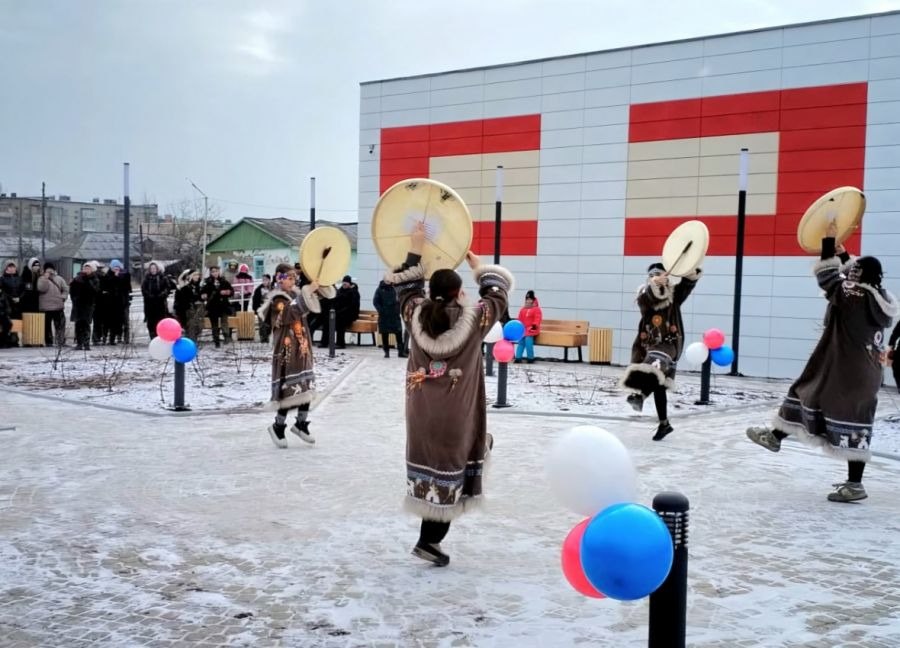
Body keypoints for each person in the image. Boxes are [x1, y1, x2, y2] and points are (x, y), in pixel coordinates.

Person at [385, 222, 513, 567]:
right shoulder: (475, 319)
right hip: (457, 413)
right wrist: (477, 266)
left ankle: (429, 539)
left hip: (421, 411)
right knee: (453, 471)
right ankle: (429, 542)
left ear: (431, 292)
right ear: (459, 293)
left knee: (431, 467)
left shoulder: (414, 313)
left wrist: (415, 247)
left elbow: (406, 287)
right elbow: (498, 293)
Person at [746, 224, 897, 503]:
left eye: (854, 270)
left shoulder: (854, 295)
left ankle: (853, 484)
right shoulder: (880, 297)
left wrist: (827, 242)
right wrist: (845, 254)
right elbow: (851, 278)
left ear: (859, 276)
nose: (850, 272)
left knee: (810, 392)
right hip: (864, 371)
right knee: (837, 409)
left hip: (845, 368)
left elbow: (829, 278)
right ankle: (777, 437)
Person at [258, 263, 336, 449]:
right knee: (289, 390)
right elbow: (289, 313)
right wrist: (308, 293)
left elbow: (305, 303)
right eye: (290, 278)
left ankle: (301, 423)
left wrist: (317, 288)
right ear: (280, 278)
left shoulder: (294, 296)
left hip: (301, 348)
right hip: (287, 351)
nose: (293, 281)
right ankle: (278, 426)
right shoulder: (277, 299)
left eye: (295, 278)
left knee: (306, 386)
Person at [620, 262, 701, 441]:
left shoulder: (675, 296)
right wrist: (655, 284)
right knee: (658, 386)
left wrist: (689, 273)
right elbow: (650, 300)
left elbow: (686, 286)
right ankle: (664, 424)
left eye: (658, 273)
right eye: (652, 274)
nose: (655, 276)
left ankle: (640, 396)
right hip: (650, 345)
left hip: (669, 345)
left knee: (655, 364)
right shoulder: (644, 296)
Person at [69, 261, 100, 351]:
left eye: (88, 268)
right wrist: (74, 299)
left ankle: (86, 344)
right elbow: (72, 290)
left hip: (88, 305)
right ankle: (79, 343)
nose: (86, 270)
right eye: (85, 268)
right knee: (78, 324)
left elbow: (95, 291)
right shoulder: (78, 278)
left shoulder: (94, 279)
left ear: (92, 270)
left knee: (86, 324)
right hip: (78, 305)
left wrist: (87, 281)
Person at [200, 266, 234, 348]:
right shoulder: (207, 282)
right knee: (214, 324)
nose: (215, 273)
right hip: (213, 306)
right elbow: (202, 292)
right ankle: (216, 341)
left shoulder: (223, 281)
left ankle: (226, 337)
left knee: (224, 322)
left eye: (216, 271)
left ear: (219, 272)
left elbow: (231, 291)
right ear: (211, 273)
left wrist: (226, 292)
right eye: (213, 271)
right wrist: (204, 295)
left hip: (223, 305)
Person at [37, 262, 68, 346]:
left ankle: (60, 341)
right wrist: (45, 279)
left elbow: (65, 289)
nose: (50, 271)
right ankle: (49, 342)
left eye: (51, 269)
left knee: (60, 325)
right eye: (47, 269)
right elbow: (41, 289)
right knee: (47, 326)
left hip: (58, 306)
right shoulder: (41, 279)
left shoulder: (59, 279)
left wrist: (63, 297)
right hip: (45, 307)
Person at [373, 278, 406, 358]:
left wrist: (398, 309)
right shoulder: (379, 289)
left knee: (398, 333)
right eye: (387, 279)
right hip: (384, 315)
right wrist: (381, 310)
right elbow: (375, 301)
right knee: (385, 334)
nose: (388, 281)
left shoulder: (395, 289)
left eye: (389, 279)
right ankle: (386, 352)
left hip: (394, 315)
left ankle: (400, 352)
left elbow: (400, 300)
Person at [103, 259, 131, 345]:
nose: (116, 269)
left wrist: (119, 277)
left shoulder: (125, 275)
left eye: (117, 267)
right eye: (114, 267)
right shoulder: (108, 276)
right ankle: (112, 339)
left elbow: (127, 287)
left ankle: (125, 338)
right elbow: (107, 287)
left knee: (124, 321)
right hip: (112, 303)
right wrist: (115, 277)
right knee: (112, 322)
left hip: (123, 302)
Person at [142, 262, 171, 339]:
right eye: (151, 269)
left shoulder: (163, 278)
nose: (153, 270)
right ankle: (153, 336)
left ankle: (161, 336)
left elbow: (167, 288)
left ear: (157, 269)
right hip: (150, 304)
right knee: (151, 322)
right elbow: (144, 290)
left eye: (154, 268)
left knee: (161, 320)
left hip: (161, 303)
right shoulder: (146, 279)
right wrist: (149, 295)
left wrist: (162, 294)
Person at [174, 270, 204, 341]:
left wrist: (202, 297)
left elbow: (200, 297)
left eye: (198, 275)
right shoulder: (184, 288)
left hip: (198, 310)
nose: (197, 277)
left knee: (199, 327)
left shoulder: (199, 286)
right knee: (191, 326)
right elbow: (184, 299)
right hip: (187, 310)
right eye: (195, 275)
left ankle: (192, 340)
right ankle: (191, 342)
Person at [514, 290, 542, 364]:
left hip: (532, 329)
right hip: (524, 329)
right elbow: (520, 319)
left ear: (533, 300)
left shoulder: (536, 309)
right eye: (527, 299)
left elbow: (537, 319)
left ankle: (530, 358)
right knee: (521, 342)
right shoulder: (523, 309)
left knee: (528, 341)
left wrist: (534, 325)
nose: (528, 301)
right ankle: (518, 357)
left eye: (530, 299)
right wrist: (519, 326)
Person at [252, 274, 273, 343]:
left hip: (270, 309)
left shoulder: (272, 289)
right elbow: (255, 300)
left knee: (269, 324)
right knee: (261, 324)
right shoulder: (258, 289)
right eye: (263, 280)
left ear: (269, 280)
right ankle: (263, 338)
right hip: (261, 309)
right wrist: (255, 309)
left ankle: (268, 336)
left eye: (266, 280)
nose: (264, 282)